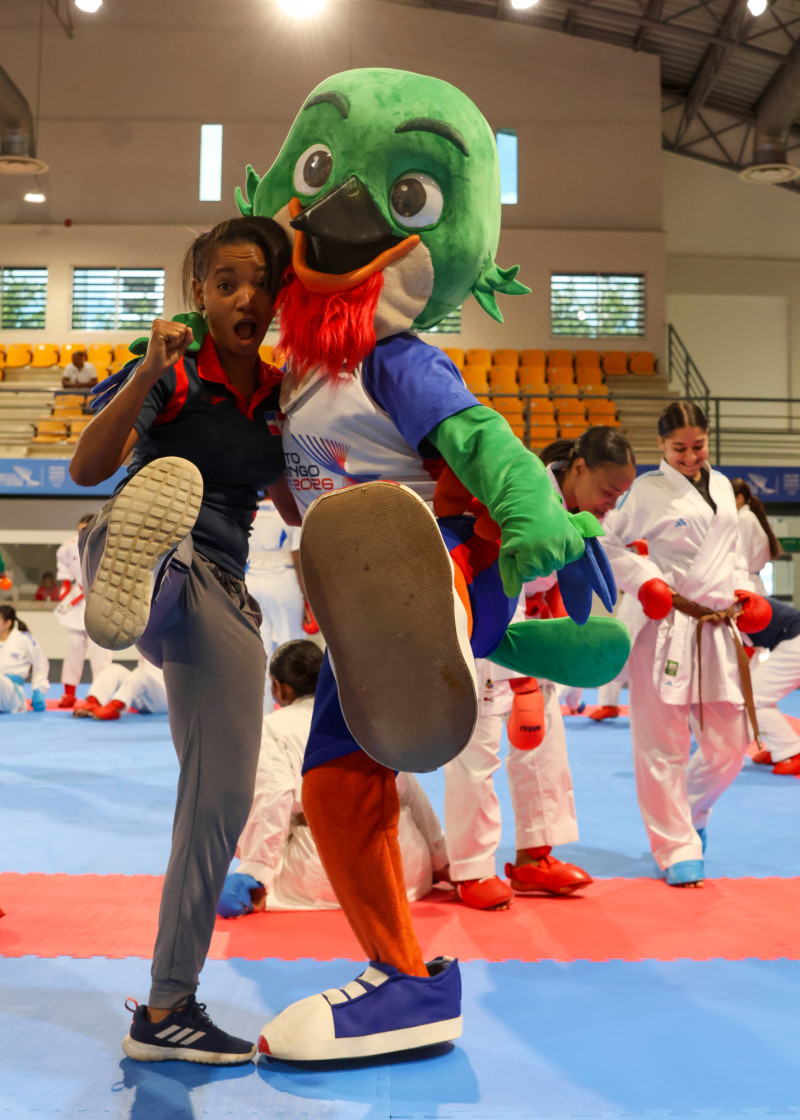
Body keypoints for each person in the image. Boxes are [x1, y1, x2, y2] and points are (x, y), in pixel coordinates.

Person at [68, 215, 293, 1065]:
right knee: (142, 526)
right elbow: (87, 467)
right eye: (224, 281)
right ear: (198, 292)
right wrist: (147, 375)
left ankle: (167, 1009)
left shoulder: (276, 396)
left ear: (277, 297)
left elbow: (296, 508)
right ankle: (140, 560)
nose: (244, 296)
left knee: (223, 793)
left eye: (259, 283)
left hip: (219, 591)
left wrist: (318, 431)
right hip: (142, 536)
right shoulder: (173, 373)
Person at [443, 427, 637, 909]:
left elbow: (552, 580)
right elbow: (497, 563)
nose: (613, 504)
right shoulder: (525, 488)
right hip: (489, 624)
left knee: (544, 743)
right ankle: (472, 868)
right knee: (478, 746)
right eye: (609, 491)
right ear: (579, 468)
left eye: (621, 495)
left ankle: (535, 857)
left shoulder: (583, 517)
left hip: (535, 634)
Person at [602, 400, 772, 889]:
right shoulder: (646, 492)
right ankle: (675, 844)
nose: (691, 456)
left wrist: (748, 592)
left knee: (729, 746)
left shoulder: (721, 486)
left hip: (718, 628)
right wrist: (644, 579)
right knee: (662, 745)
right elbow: (609, 544)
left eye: (698, 446)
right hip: (666, 625)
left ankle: (690, 813)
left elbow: (734, 557)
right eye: (679, 448)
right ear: (661, 445)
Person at [219, 640, 448, 916]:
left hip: (323, 872)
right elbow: (410, 792)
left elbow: (272, 798)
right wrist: (440, 860)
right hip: (401, 869)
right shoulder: (368, 720)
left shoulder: (272, 729)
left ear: (279, 687)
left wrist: (256, 873)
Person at [54, 515, 114, 708]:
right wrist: (64, 589)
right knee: (73, 648)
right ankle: (69, 693)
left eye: (86, 529)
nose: (83, 533)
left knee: (101, 652)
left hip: (101, 599)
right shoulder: (68, 546)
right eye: (80, 529)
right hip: (77, 601)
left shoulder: (109, 545)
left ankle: (99, 694)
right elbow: (66, 573)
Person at [246, 496, 306, 660]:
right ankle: (290, 685)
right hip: (282, 580)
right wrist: (307, 598)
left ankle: (264, 686)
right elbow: (298, 557)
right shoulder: (290, 511)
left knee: (259, 646)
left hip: (251, 582)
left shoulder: (250, 508)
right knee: (290, 642)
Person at [746, 596, 800, 776]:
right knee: (757, 694)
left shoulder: (725, 602)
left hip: (795, 640)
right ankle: (781, 749)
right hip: (791, 639)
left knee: (753, 698)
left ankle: (792, 751)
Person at [72, 653, 167, 720]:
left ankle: (115, 707)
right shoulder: (147, 635)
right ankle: (94, 701)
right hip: (144, 692)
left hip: (169, 697)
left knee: (141, 674)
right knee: (114, 669)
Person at [731, 478, 782, 596]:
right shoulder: (747, 518)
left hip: (746, 585)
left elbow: (742, 559)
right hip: (750, 583)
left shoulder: (744, 519)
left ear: (739, 499)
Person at [0, 605, 49, 713]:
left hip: (12, 693)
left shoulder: (24, 639)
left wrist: (38, 690)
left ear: (8, 623)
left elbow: (40, 663)